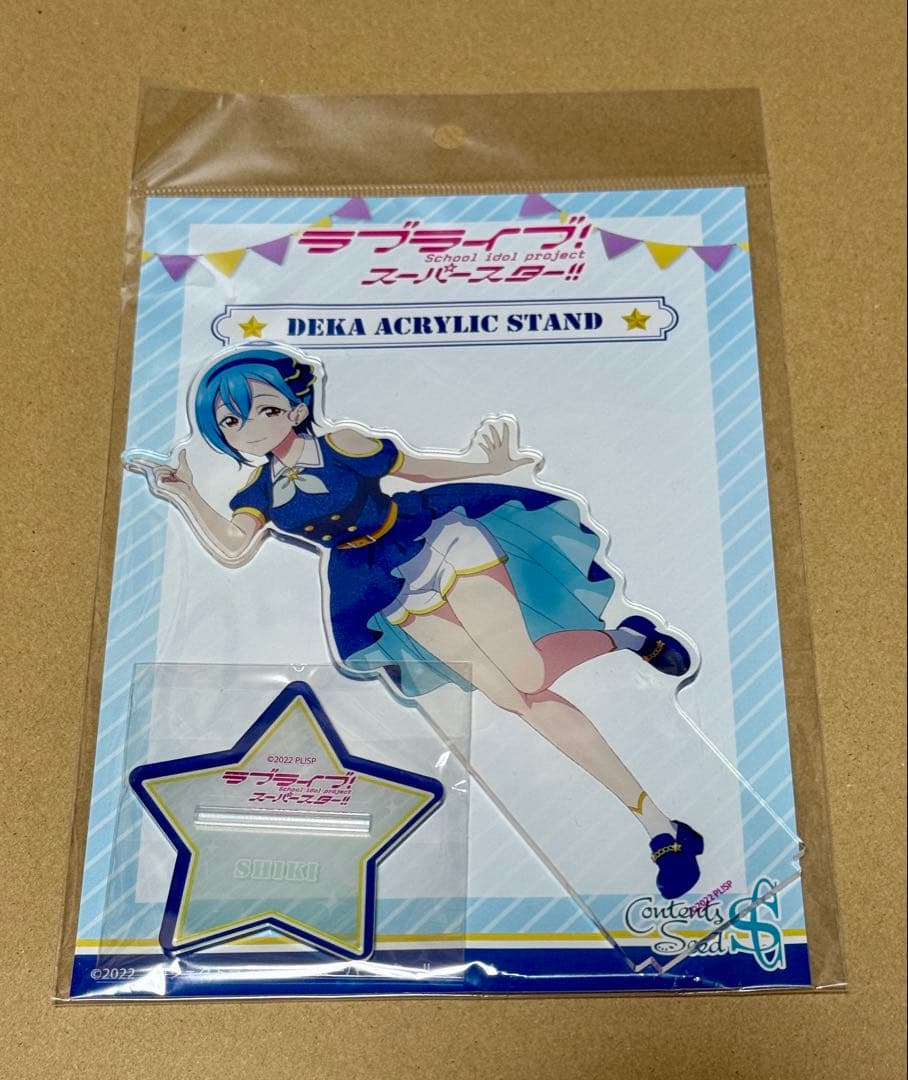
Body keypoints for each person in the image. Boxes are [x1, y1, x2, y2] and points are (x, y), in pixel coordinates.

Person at [129, 344, 704, 899]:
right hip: (374, 584)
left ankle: (625, 643)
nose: (249, 428)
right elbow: (234, 546)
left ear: (297, 408)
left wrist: (488, 464)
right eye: (231, 422)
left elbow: (420, 468)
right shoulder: (258, 491)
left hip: (437, 540)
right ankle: (659, 826)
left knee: (527, 674)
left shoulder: (344, 443)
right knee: (515, 699)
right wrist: (185, 494)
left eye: (265, 409)